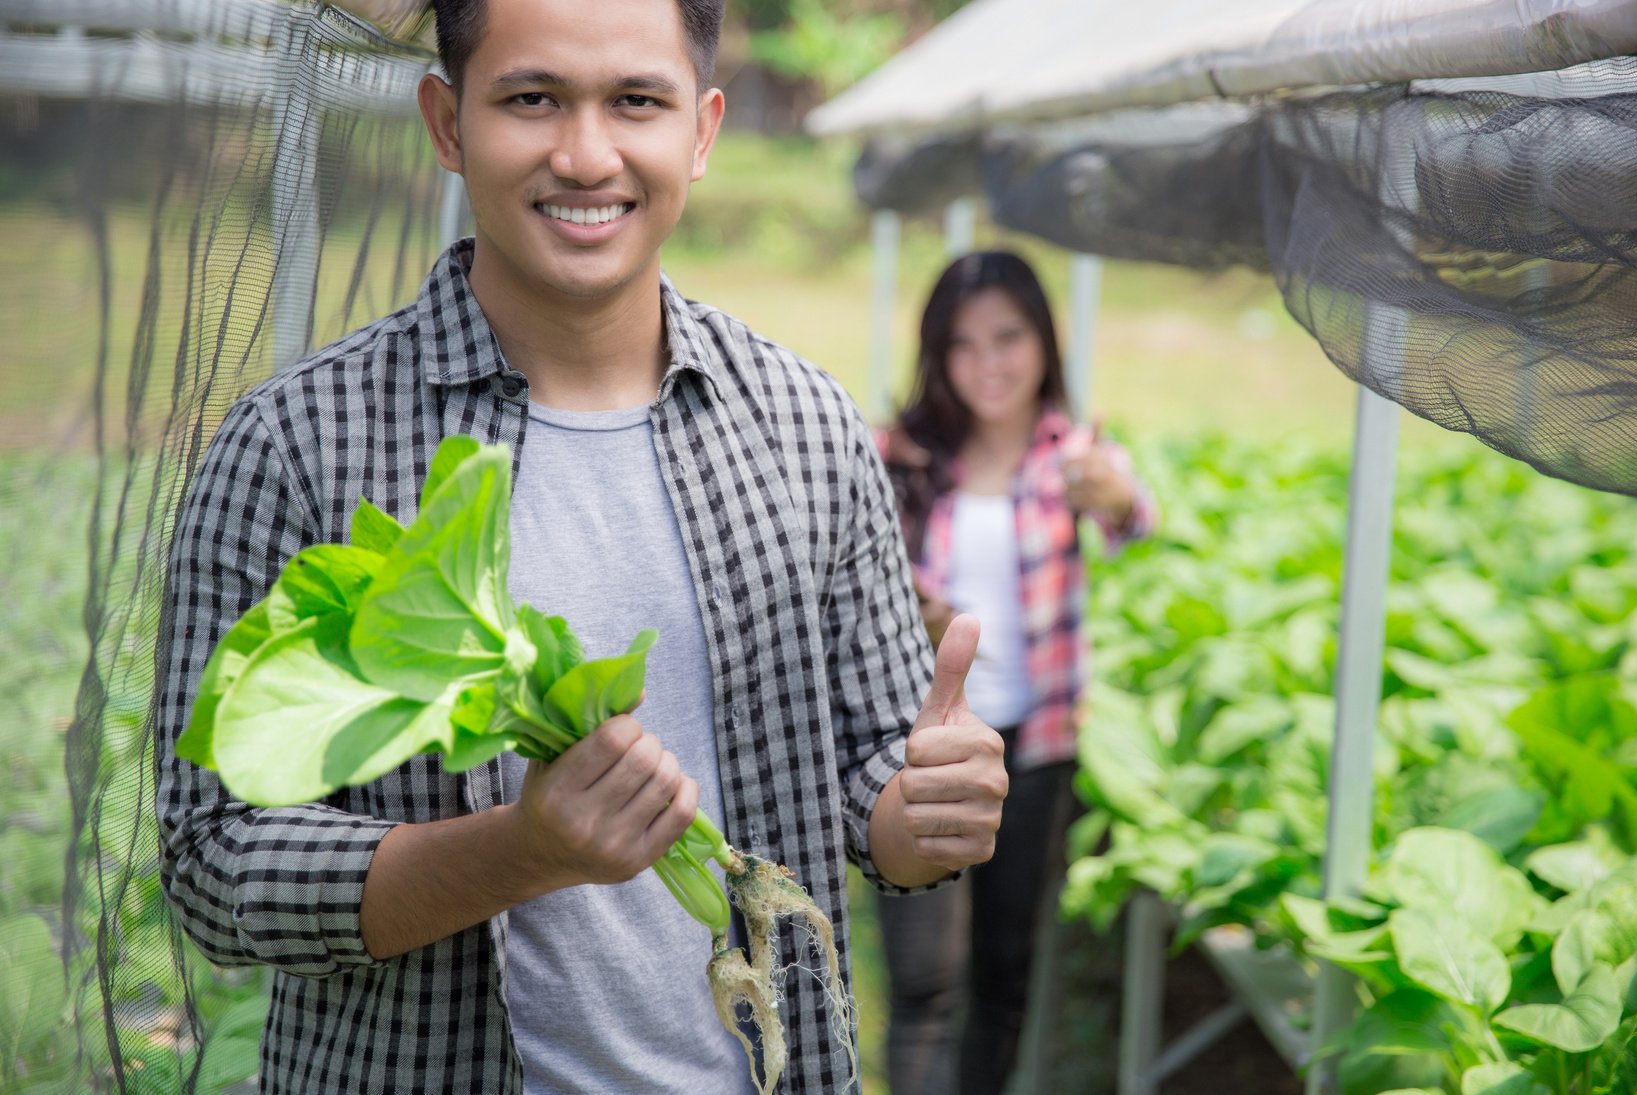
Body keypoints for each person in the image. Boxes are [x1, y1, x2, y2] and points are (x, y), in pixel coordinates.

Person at [154, 1, 1008, 1092]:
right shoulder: (297, 443)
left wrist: (922, 813)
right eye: (531, 98)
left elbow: (873, 784)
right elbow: (211, 860)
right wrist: (521, 850)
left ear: (700, 131)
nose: (586, 154)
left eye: (636, 103)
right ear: (448, 121)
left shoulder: (804, 424)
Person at [874, 250, 1155, 1095]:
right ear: (936, 355)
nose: (987, 364)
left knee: (1005, 972)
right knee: (926, 983)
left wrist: (1110, 493)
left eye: (1008, 338)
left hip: (1034, 752)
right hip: (919, 751)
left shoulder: (1071, 458)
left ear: (1043, 342)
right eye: (963, 345)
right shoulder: (902, 456)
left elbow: (1134, 514)